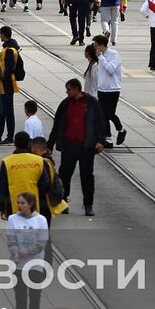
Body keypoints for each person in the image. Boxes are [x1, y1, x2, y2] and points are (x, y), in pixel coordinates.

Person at [46, 80, 105, 218]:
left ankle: (88, 204)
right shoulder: (65, 104)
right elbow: (57, 126)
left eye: (69, 89)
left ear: (77, 89)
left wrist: (100, 141)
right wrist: (50, 145)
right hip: (69, 146)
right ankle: (63, 202)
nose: (67, 92)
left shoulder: (91, 103)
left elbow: (99, 122)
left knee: (87, 176)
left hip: (86, 146)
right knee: (65, 174)